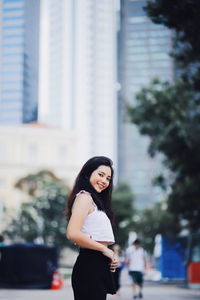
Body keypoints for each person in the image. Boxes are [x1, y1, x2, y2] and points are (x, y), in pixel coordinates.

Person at [66, 156, 119, 300]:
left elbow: (95, 236)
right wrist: (104, 249)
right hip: (89, 266)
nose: (104, 181)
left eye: (108, 178)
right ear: (87, 173)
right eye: (100, 175)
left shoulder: (96, 203)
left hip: (98, 265)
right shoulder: (85, 197)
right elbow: (72, 233)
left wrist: (109, 257)